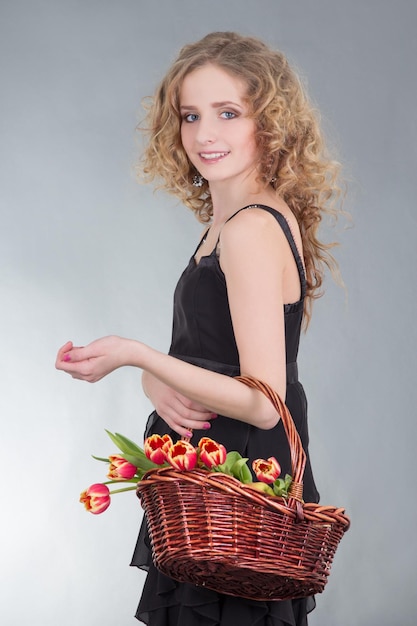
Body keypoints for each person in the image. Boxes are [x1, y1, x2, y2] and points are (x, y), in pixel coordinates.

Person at [56, 31, 343, 626]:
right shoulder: (232, 220)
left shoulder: (250, 229)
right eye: (191, 115)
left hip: (235, 487)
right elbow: (213, 358)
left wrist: (138, 357)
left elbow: (265, 403)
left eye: (228, 113)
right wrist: (153, 384)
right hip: (210, 483)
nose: (204, 134)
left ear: (271, 121)